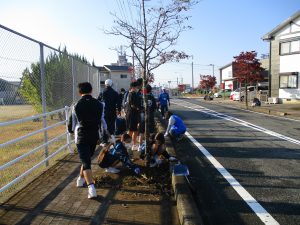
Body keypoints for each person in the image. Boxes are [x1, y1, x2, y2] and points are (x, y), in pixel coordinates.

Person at [68, 82, 102, 199]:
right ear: (91, 90)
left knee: (86, 161)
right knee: (87, 159)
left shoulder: (76, 105)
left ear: (79, 92)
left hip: (82, 135)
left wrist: (71, 132)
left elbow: (71, 123)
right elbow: (102, 121)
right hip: (94, 135)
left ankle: (91, 188)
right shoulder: (99, 104)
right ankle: (80, 179)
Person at [98, 79, 121, 145]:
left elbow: (98, 102)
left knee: (105, 126)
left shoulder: (102, 93)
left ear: (105, 84)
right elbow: (118, 103)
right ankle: (111, 139)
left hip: (104, 112)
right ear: (111, 84)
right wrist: (119, 110)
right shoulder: (115, 93)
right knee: (112, 125)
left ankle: (104, 141)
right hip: (113, 111)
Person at [137, 84, 157, 151]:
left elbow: (138, 107)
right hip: (150, 115)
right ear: (150, 90)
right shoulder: (152, 97)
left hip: (142, 115)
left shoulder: (141, 97)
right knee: (151, 131)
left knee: (141, 132)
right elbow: (155, 107)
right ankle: (151, 145)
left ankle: (139, 146)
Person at [126, 82, 141, 152]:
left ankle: (134, 144)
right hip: (131, 115)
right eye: (135, 87)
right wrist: (137, 108)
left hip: (135, 114)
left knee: (135, 130)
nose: (136, 88)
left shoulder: (135, 94)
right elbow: (132, 105)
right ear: (132, 87)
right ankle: (126, 143)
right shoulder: (130, 94)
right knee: (131, 130)